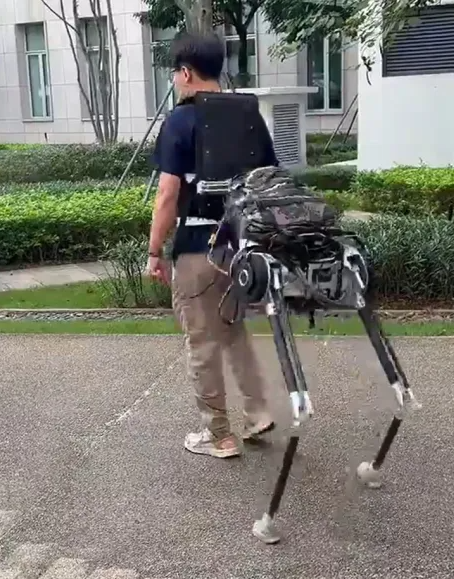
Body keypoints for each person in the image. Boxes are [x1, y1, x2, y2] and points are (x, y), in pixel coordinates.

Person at [146, 31, 279, 459]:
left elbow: (167, 194)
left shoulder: (180, 121)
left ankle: (218, 434)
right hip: (239, 248)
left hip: (197, 248)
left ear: (186, 73)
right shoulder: (248, 115)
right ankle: (258, 413)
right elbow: (269, 181)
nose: (174, 81)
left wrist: (154, 251)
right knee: (234, 332)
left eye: (175, 74)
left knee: (202, 341)